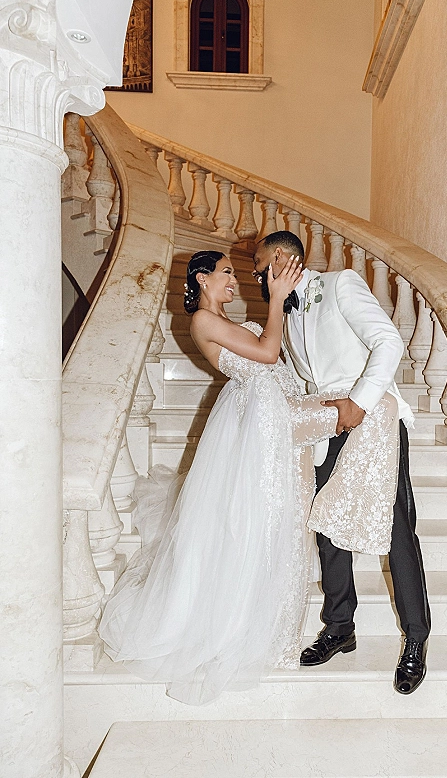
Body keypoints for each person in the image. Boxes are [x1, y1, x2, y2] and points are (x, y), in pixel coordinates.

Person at [99, 250, 353, 705]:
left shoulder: (226, 321)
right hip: (265, 425)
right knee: (284, 518)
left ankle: (278, 631)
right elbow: (268, 351)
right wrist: (275, 300)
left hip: (273, 421)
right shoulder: (202, 320)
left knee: (290, 526)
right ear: (202, 278)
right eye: (227, 273)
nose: (235, 280)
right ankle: (259, 634)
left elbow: (276, 363)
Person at [253, 231, 431, 695]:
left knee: (395, 528)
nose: (255, 276)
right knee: (326, 523)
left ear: (279, 259)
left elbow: (388, 341)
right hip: (325, 423)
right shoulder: (285, 313)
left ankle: (416, 638)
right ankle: (339, 627)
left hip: (371, 415)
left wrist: (358, 402)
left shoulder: (341, 284)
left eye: (258, 266)